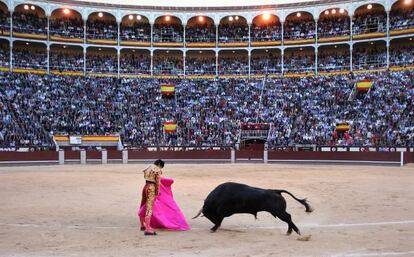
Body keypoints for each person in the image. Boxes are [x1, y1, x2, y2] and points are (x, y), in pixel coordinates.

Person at [139, 159, 164, 236]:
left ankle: (142, 225)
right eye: (161, 166)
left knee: (143, 205)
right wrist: (157, 192)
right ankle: (147, 229)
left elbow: (145, 176)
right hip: (151, 188)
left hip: (145, 186)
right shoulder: (157, 169)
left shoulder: (148, 167)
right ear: (159, 164)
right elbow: (158, 182)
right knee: (149, 207)